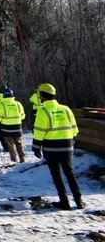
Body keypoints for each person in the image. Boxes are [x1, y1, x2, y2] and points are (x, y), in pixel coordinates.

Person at [32, 82, 83, 210]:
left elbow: (39, 131)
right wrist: (72, 140)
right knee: (70, 173)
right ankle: (79, 200)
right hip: (67, 146)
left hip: (51, 147)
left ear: (42, 96)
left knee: (57, 175)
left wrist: (36, 146)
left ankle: (64, 202)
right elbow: (74, 128)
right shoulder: (65, 109)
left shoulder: (43, 111)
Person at [0, 87, 26, 162]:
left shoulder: (1, 105)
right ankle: (22, 159)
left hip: (6, 129)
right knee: (19, 144)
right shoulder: (18, 104)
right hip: (18, 128)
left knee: (10, 145)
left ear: (4, 95)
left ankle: (14, 160)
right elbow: (23, 116)